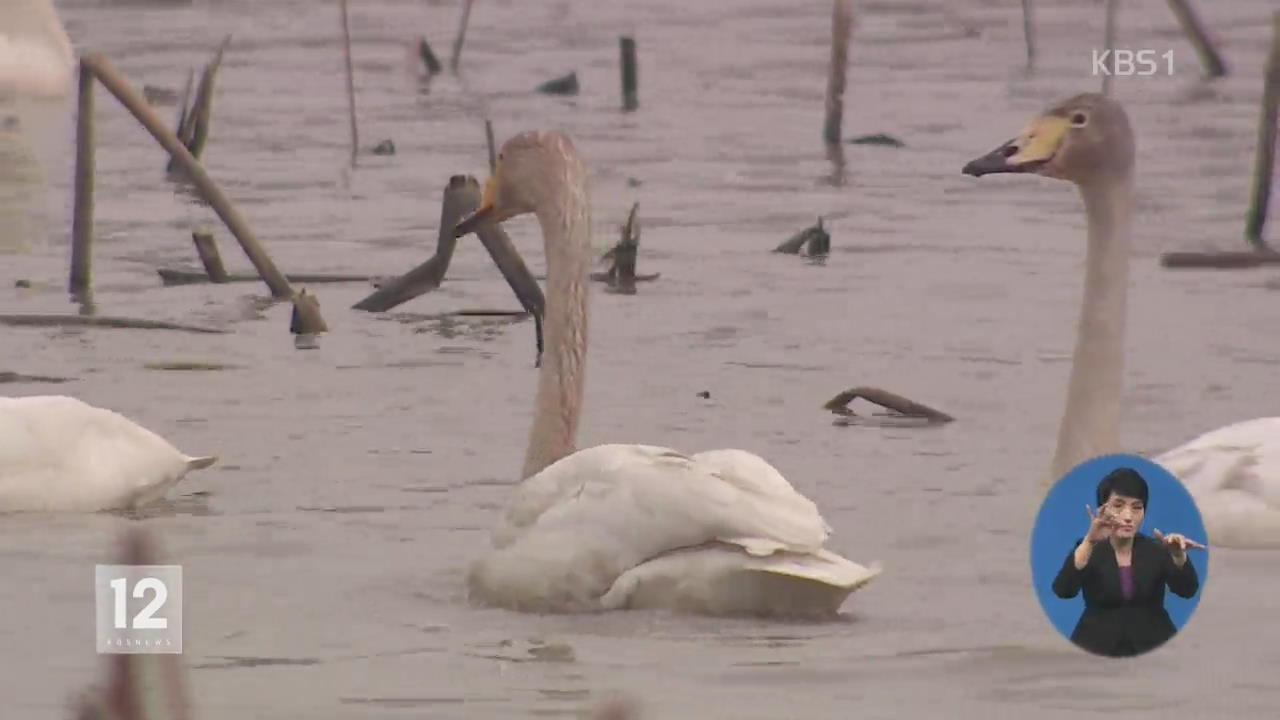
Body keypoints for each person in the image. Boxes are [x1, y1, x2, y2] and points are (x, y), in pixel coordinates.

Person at [1051, 466, 1205, 657]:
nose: (1128, 516)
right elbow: (1063, 590)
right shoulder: (1088, 549)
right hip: (1096, 648)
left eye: (1136, 508)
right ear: (1103, 509)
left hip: (1154, 647)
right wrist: (1089, 541)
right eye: (1118, 505)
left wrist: (1178, 556)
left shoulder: (1158, 549)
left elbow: (1187, 590)